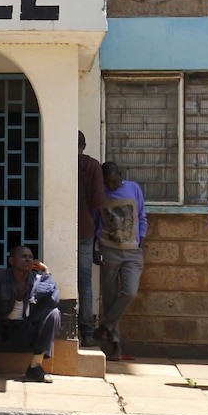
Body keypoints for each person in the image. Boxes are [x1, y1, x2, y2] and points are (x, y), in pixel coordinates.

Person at [0, 245, 61, 383]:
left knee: (54, 313)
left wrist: (46, 274)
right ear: (12, 261)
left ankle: (35, 367)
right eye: (23, 257)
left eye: (30, 257)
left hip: (26, 333)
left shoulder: (38, 279)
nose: (28, 260)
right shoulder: (0, 276)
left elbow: (53, 300)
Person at [92, 162, 146, 361]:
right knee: (110, 297)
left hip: (132, 251)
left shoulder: (133, 188)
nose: (111, 185)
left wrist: (142, 240)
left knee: (129, 292)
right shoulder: (101, 192)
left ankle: (105, 326)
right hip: (108, 249)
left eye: (113, 181)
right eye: (107, 182)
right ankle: (115, 344)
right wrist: (94, 249)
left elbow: (141, 216)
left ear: (120, 175)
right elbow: (96, 220)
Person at [78, 131, 105, 347]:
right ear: (84, 145)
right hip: (85, 230)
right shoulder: (93, 166)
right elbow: (98, 202)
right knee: (85, 283)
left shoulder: (57, 161)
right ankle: (86, 332)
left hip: (58, 228)